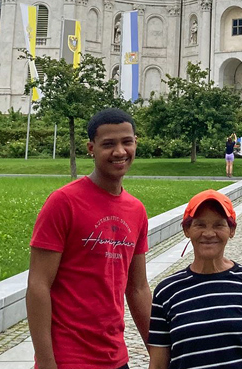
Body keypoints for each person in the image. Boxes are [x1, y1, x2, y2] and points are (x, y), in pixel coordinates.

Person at [27, 108, 152, 369]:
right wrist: (47, 362)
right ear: (91, 148)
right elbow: (39, 285)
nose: (120, 151)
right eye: (108, 144)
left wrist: (158, 352)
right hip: (68, 358)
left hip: (116, 357)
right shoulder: (64, 202)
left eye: (126, 142)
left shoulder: (136, 210)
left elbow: (138, 288)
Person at [149, 190, 242, 369]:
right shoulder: (167, 291)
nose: (209, 233)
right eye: (200, 225)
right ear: (187, 230)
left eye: (219, 225)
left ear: (232, 230)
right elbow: (158, 364)